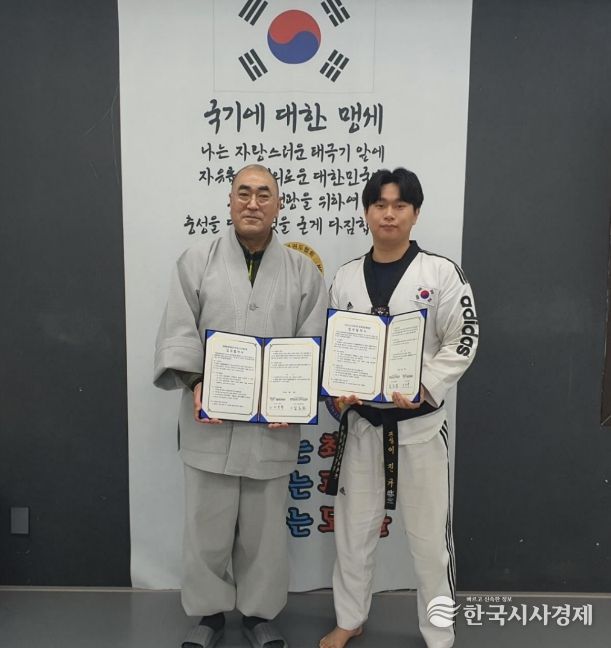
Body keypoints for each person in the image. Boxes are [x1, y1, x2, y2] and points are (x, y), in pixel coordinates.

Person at [154, 164, 328, 648]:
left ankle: (258, 615)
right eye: (244, 193)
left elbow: (312, 342)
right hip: (208, 421)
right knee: (205, 527)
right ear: (229, 201)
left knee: (264, 533)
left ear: (278, 205)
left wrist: (295, 396)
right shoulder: (196, 261)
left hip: (272, 427)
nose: (253, 203)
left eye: (264, 194)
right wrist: (195, 381)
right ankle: (207, 615)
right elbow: (179, 329)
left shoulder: (303, 273)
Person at [320, 168, 478, 648]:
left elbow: (463, 340)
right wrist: (337, 391)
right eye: (380, 204)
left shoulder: (441, 273)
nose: (389, 214)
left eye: (400, 205)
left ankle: (439, 631)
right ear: (367, 212)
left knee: (430, 541)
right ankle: (350, 618)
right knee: (353, 534)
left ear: (415, 213)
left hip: (419, 428)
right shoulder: (346, 277)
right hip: (363, 426)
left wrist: (424, 384)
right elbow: (334, 345)